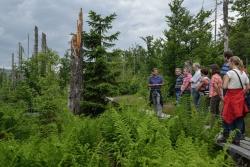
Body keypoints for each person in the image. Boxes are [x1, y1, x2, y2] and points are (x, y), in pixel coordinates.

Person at [218, 56, 249, 145]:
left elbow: (224, 86)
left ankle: (226, 135)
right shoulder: (243, 73)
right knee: (238, 117)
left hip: (231, 97)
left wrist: (224, 80)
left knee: (226, 115)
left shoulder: (230, 73)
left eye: (229, 62)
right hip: (240, 97)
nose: (228, 64)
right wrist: (242, 93)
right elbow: (248, 87)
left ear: (232, 62)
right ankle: (237, 139)